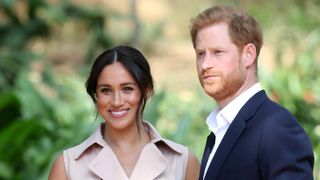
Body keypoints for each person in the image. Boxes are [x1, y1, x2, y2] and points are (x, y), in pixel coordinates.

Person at [189, 5, 314, 180]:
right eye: (201, 54)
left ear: (248, 54)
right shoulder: (220, 129)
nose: (205, 64)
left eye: (218, 52)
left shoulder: (277, 128)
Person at [48, 46, 200, 180]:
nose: (116, 101)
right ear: (96, 95)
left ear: (146, 91)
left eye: (127, 89)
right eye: (106, 90)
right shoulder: (68, 166)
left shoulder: (183, 162)